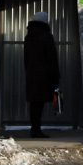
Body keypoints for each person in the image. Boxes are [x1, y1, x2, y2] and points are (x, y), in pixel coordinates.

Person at [23, 10, 60, 138]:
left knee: (35, 103)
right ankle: (36, 129)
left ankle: (35, 128)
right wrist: (55, 76)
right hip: (44, 76)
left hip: (32, 75)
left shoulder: (29, 37)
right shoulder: (46, 37)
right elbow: (52, 58)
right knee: (40, 104)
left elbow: (26, 58)